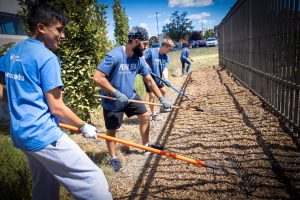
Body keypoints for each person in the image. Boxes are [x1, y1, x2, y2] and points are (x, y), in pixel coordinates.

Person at [0, 3, 112, 200]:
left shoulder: (10, 54)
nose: (63, 35)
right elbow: (57, 107)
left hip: (21, 134)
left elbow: (3, 91)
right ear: (41, 27)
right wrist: (84, 125)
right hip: (42, 134)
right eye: (59, 30)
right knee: (92, 180)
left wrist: (20, 98)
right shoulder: (47, 58)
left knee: (44, 187)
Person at [93, 26, 173, 172]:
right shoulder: (115, 55)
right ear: (136, 41)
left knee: (145, 115)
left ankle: (146, 146)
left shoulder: (139, 59)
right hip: (112, 99)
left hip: (130, 96)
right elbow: (98, 78)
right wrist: (116, 93)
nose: (146, 47)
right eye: (145, 44)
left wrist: (161, 98)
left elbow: (149, 80)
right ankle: (113, 158)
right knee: (112, 130)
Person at [143, 39, 174, 121]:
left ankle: (163, 106)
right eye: (169, 49)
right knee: (152, 95)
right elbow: (141, 59)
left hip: (158, 78)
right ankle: (153, 114)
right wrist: (146, 67)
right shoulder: (151, 52)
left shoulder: (166, 56)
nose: (170, 51)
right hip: (149, 78)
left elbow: (165, 69)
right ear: (164, 46)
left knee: (163, 91)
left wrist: (166, 78)